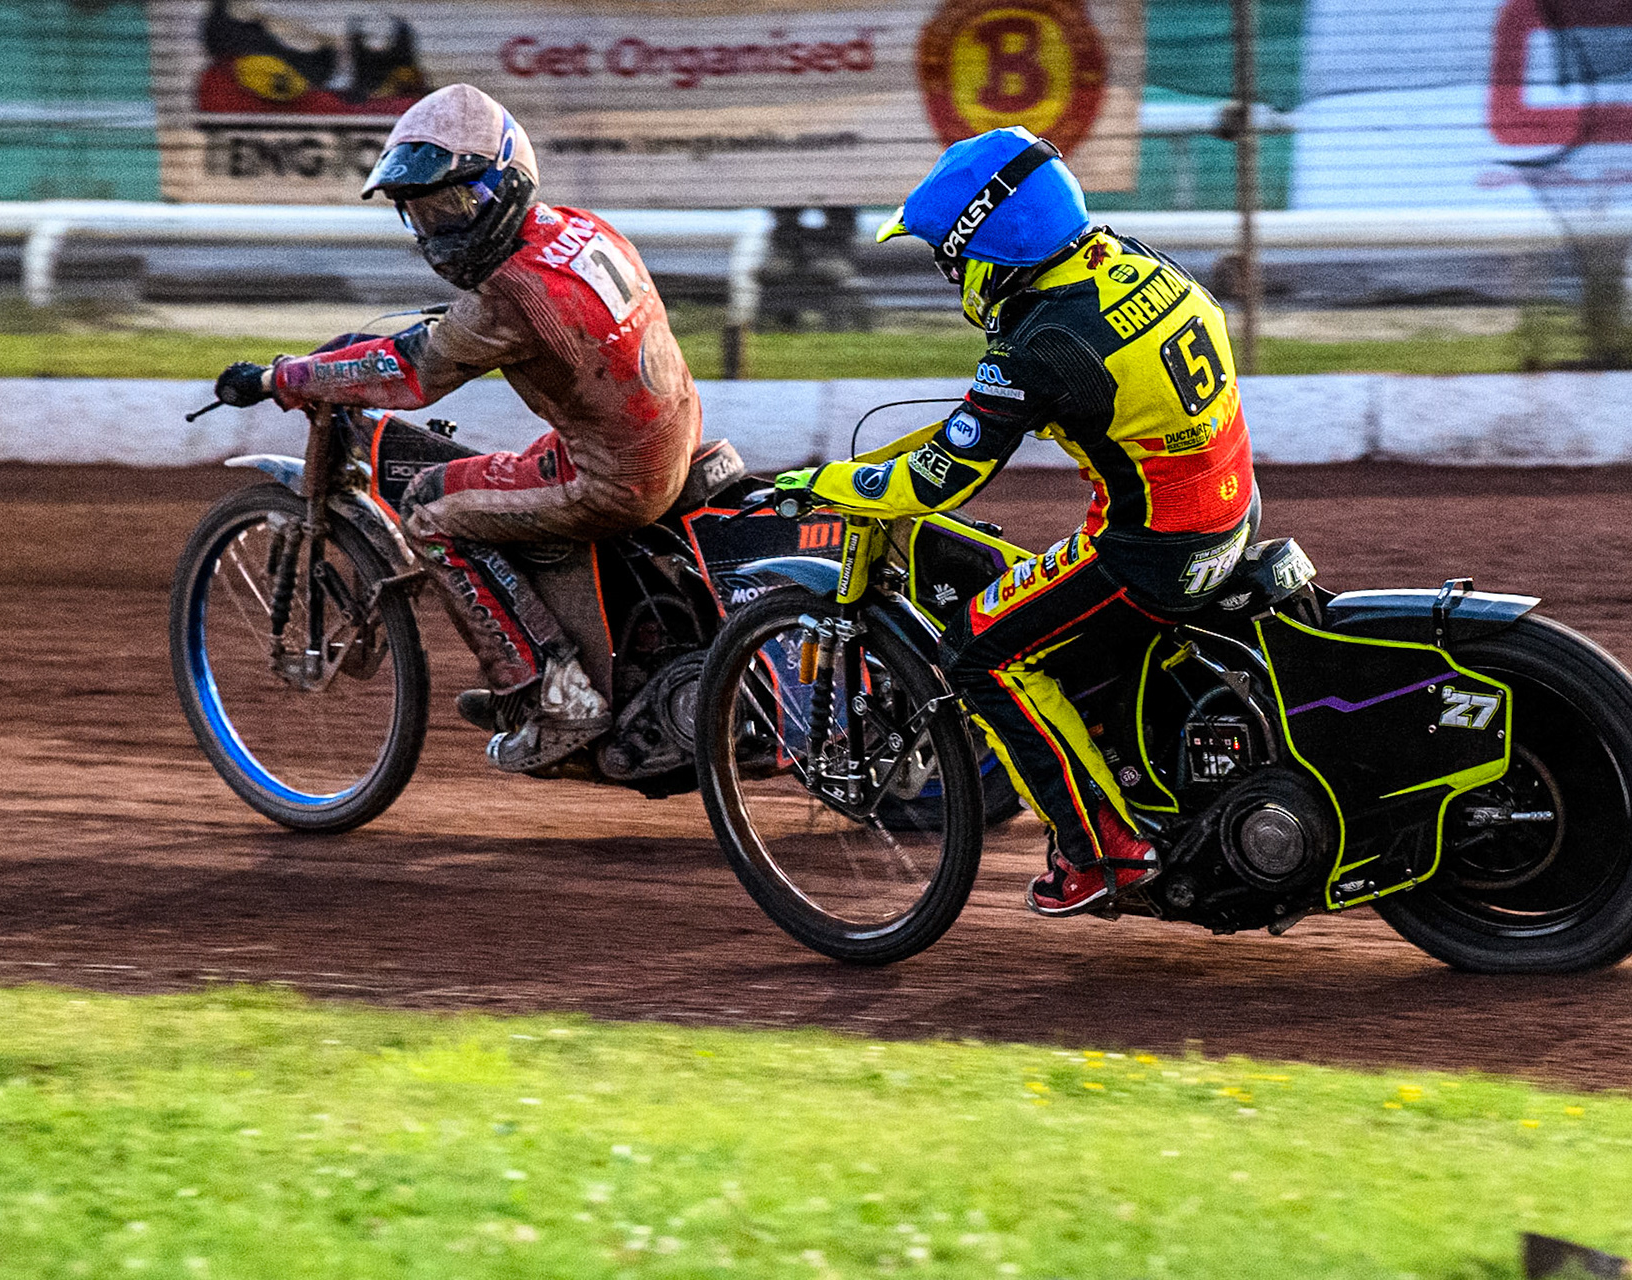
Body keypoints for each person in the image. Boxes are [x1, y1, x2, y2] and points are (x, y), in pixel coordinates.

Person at [773, 126, 1258, 917]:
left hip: (1153, 550)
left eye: (951, 260)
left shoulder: (1038, 344)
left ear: (989, 246)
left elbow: (940, 478)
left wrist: (828, 482)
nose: (952, 277)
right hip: (1231, 512)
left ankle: (1103, 850)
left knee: (977, 650)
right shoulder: (1138, 263)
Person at [212, 83, 702, 773]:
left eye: (454, 205)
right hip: (667, 433)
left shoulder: (510, 296)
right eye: (423, 211)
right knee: (497, 477)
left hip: (615, 476)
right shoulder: (578, 227)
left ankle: (553, 694)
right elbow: (465, 333)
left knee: (430, 509)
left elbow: (412, 375)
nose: (440, 228)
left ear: (505, 185)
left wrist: (279, 378)